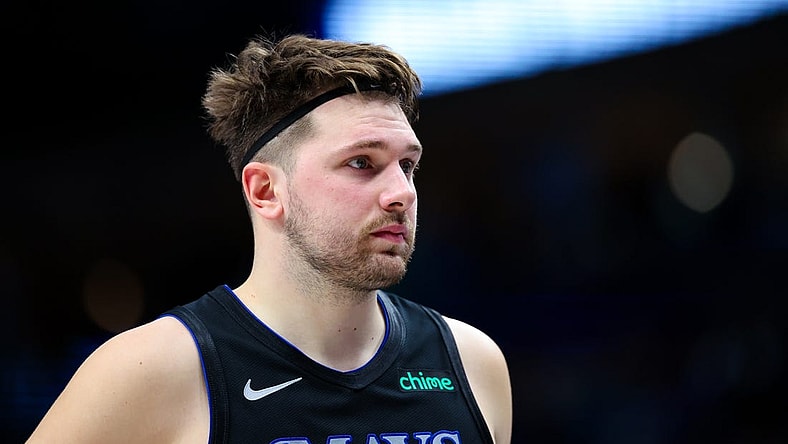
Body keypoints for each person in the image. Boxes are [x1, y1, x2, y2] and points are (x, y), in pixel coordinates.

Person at [27, 33, 512, 443]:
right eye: (362, 163)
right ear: (265, 191)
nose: (401, 193)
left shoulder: (472, 361)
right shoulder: (152, 370)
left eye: (407, 165)